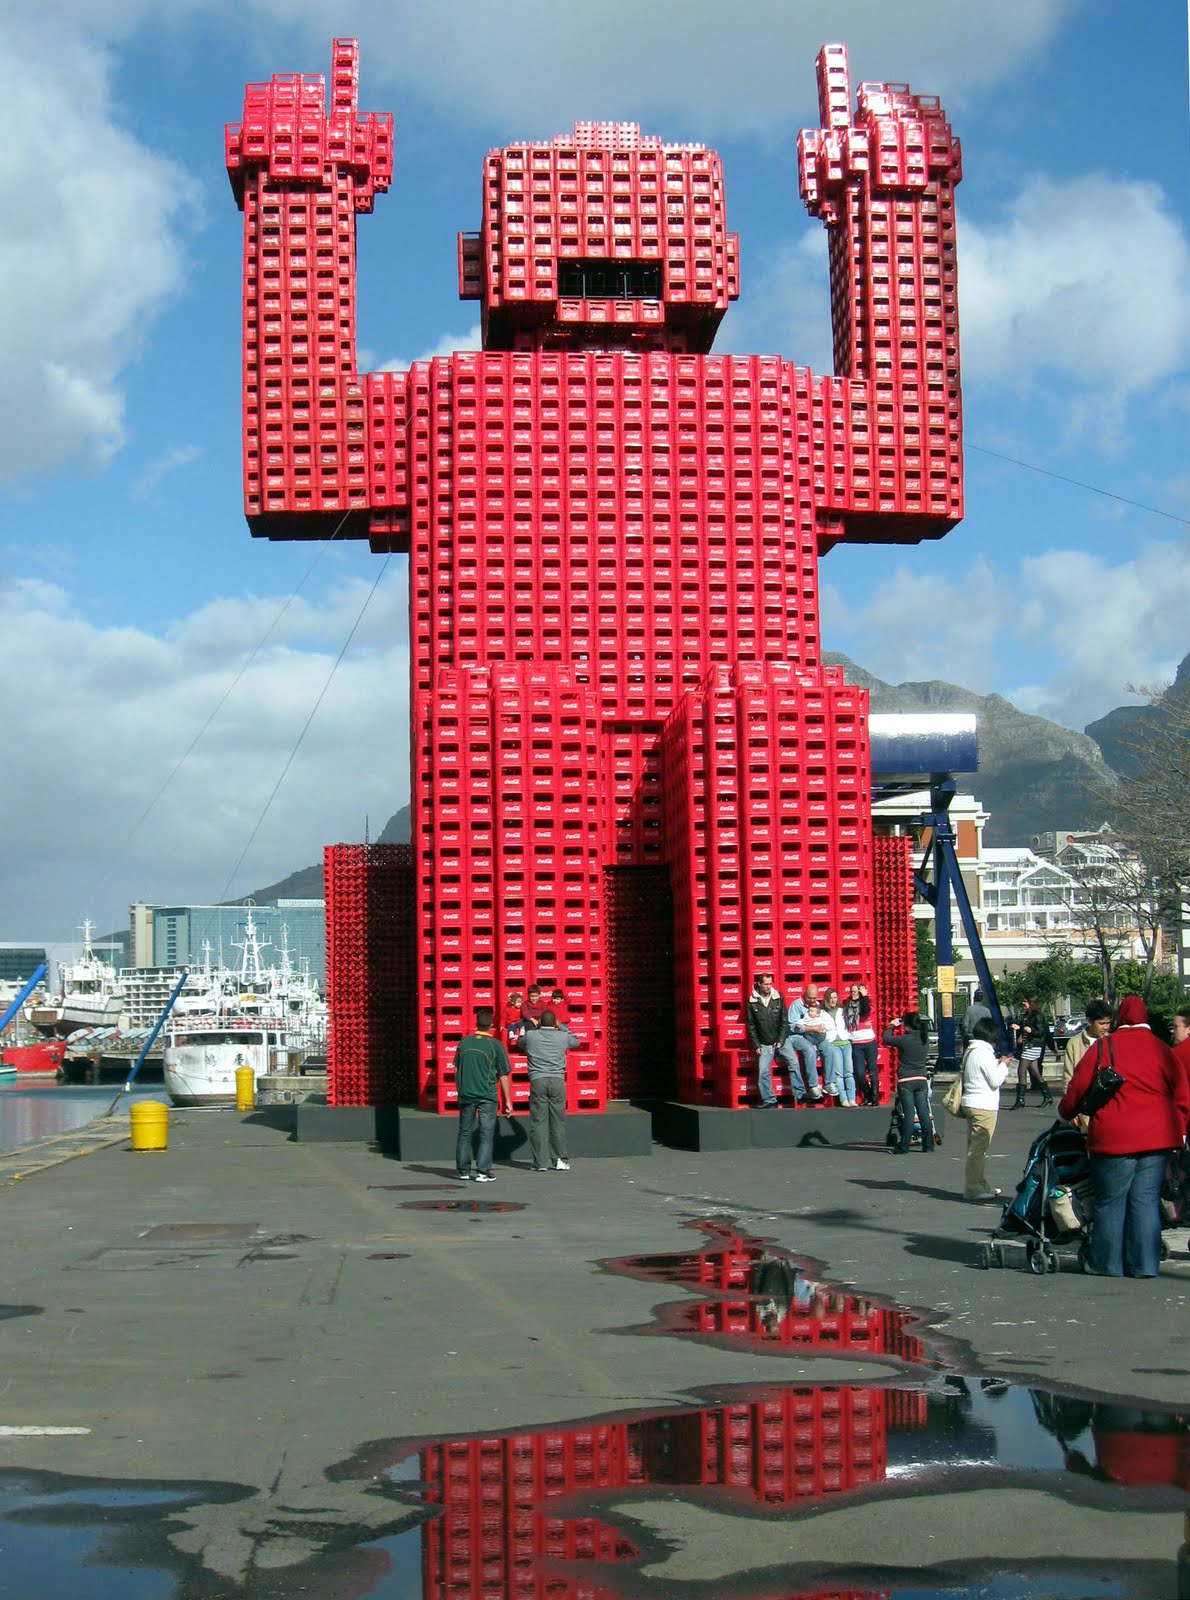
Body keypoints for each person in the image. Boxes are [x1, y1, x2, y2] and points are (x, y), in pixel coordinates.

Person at [1058, 995, 1190, 1278]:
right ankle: (1144, 1264)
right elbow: (1181, 1095)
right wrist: (1178, 1130)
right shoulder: (1162, 1050)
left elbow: (1077, 1088)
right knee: (1145, 1200)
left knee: (1111, 1200)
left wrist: (1067, 1110)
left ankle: (1108, 1263)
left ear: (1121, 1018)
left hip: (1113, 1137)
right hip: (1157, 1138)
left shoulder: (1104, 1048)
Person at [453, 1006, 513, 1183]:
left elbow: (456, 1068)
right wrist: (508, 1100)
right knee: (486, 1134)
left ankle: (463, 1171)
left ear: (476, 1023)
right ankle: (483, 1171)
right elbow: (503, 1074)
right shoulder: (495, 1045)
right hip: (487, 1095)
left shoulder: (464, 1042)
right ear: (491, 1025)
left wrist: (460, 1088)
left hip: (466, 1094)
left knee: (464, 1132)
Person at [521, 1007, 582, 1171]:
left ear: (540, 1022)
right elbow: (577, 1041)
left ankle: (540, 1163)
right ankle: (560, 1159)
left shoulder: (531, 1035)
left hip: (538, 1080)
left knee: (538, 1122)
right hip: (557, 1080)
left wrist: (535, 1029)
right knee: (558, 1122)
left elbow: (520, 1043)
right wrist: (561, 1026)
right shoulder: (562, 1036)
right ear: (554, 1022)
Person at [959, 1016, 1012, 1200]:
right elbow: (995, 1080)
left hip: (971, 1102)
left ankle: (981, 1184)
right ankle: (973, 1188)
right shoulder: (984, 1053)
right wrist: (1004, 1066)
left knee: (975, 1147)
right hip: (983, 1105)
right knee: (978, 1150)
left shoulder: (971, 1050)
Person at [744, 973, 799, 1108]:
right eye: (766, 984)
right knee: (763, 1071)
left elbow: (784, 1021)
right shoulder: (752, 1001)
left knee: (794, 1062)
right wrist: (756, 1045)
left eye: (770, 984)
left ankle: (800, 1094)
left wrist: (780, 1040)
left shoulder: (778, 998)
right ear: (759, 984)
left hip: (781, 1038)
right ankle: (770, 1100)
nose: (769, 987)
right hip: (764, 1041)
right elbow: (751, 1026)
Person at [884, 1010, 934, 1155]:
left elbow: (886, 1039)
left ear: (906, 1025)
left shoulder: (904, 1039)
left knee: (909, 1113)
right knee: (923, 1113)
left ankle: (903, 1145)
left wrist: (891, 1026)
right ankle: (928, 1144)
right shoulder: (925, 1038)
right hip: (921, 1079)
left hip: (906, 1079)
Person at [1011, 995, 1054, 1109]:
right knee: (1035, 1072)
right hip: (1028, 1045)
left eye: (1025, 1001)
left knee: (1021, 1070)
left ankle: (1020, 1099)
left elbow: (1041, 1031)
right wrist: (1018, 1028)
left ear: (1031, 1003)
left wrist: (1031, 1030)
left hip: (1033, 1046)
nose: (1023, 1003)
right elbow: (1024, 1028)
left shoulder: (1037, 1016)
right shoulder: (1027, 1015)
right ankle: (1047, 1096)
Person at [785, 983, 825, 1101]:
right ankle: (813, 1086)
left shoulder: (818, 1006)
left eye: (814, 998)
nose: (812, 1001)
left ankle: (831, 1084)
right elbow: (792, 1027)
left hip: (816, 1035)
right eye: (810, 998)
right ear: (804, 995)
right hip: (797, 1037)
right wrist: (811, 1028)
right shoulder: (796, 1005)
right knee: (810, 1050)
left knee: (830, 1049)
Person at [844, 981, 879, 1104]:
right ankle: (867, 1094)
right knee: (859, 1072)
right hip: (856, 1043)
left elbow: (865, 1012)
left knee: (872, 1070)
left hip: (869, 1041)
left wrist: (865, 997)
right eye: (851, 991)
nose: (853, 994)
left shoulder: (868, 1005)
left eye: (856, 991)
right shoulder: (847, 1005)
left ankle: (875, 1097)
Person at [822, 987, 858, 1105]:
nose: (833, 1000)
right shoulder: (822, 1013)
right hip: (833, 1044)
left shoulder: (842, 1011)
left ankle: (852, 1098)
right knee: (839, 1073)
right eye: (830, 998)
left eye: (835, 997)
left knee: (848, 1071)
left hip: (846, 1042)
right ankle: (843, 1099)